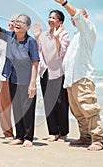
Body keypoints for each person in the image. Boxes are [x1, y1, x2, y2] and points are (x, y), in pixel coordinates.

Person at [53, 0, 103, 151]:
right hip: (71, 79)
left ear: (86, 17)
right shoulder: (77, 36)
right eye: (72, 18)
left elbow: (77, 16)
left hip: (83, 77)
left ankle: (98, 139)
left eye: (77, 16)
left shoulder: (88, 29)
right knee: (78, 111)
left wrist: (64, 2)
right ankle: (85, 137)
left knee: (89, 108)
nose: (74, 18)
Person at [0, 0, 40, 147]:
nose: (17, 24)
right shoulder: (9, 36)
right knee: (17, 109)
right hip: (13, 79)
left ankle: (28, 138)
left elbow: (35, 63)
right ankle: (19, 136)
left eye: (21, 22)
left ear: (27, 27)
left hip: (27, 80)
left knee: (28, 109)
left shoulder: (31, 42)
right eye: (17, 22)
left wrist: (33, 83)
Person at [33, 10, 70, 142]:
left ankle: (63, 132)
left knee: (61, 102)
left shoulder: (64, 34)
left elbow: (62, 53)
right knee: (49, 102)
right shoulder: (43, 35)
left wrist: (56, 37)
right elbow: (37, 51)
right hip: (45, 72)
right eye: (49, 17)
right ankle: (53, 132)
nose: (50, 19)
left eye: (54, 18)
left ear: (60, 22)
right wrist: (37, 37)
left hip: (59, 71)